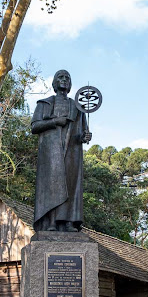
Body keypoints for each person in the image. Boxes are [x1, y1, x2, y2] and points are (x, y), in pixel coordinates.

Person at [32, 70, 92, 232]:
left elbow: (82, 133)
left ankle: (68, 222)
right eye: (60, 77)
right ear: (54, 83)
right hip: (51, 153)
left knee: (71, 185)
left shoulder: (77, 107)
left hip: (72, 153)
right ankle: (50, 222)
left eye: (67, 78)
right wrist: (55, 122)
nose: (64, 80)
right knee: (52, 186)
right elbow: (35, 126)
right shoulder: (44, 103)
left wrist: (85, 136)